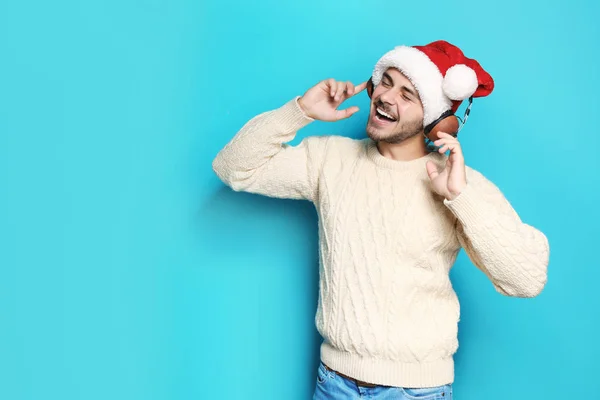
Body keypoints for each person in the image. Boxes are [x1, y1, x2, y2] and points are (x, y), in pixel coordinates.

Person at [211, 40, 549, 400]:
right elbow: (233, 168)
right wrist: (300, 111)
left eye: (407, 94)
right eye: (385, 82)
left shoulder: (456, 181)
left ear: (436, 121)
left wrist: (459, 198)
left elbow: (525, 279)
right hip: (334, 384)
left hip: (417, 391)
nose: (387, 97)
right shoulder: (330, 159)